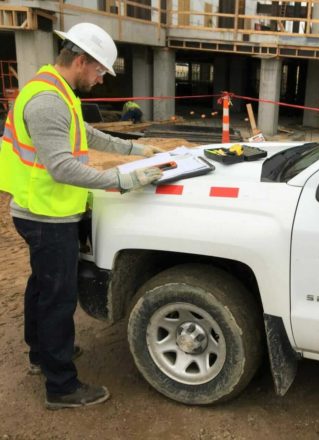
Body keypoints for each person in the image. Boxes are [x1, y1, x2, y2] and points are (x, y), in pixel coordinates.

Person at [0, 22, 164, 410]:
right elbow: (63, 168)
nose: (101, 79)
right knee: (58, 296)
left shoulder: (59, 92)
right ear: (80, 60)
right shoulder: (47, 101)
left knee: (43, 287)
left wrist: (135, 150)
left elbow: (85, 135)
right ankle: (61, 386)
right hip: (45, 213)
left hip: (46, 209)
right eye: (100, 71)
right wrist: (122, 180)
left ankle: (42, 354)